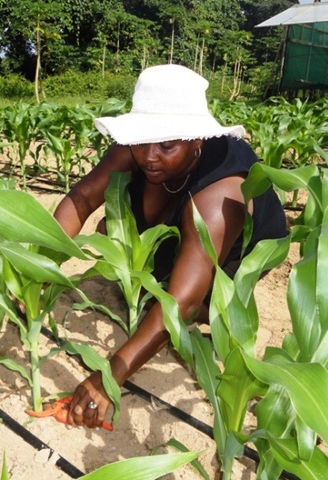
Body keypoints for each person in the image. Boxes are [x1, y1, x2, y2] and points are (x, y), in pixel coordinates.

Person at [52, 64, 287, 430]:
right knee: (109, 229)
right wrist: (38, 264)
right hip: (174, 228)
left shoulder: (221, 194)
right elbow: (82, 197)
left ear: (197, 139)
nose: (148, 156)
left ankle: (226, 312)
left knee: (200, 306)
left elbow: (182, 303)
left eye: (166, 145)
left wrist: (108, 376)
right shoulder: (137, 152)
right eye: (143, 140)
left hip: (235, 253)